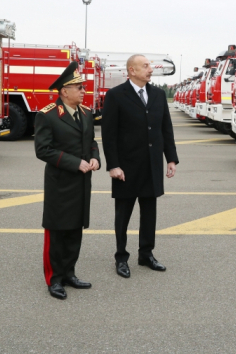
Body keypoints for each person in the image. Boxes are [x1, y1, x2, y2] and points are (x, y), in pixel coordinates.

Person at [101, 54, 178, 278]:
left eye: (150, 66)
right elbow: (109, 135)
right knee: (123, 215)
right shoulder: (116, 95)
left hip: (151, 166)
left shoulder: (158, 94)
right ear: (131, 70)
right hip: (126, 168)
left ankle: (146, 254)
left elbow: (166, 129)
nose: (150, 69)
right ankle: (121, 257)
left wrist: (170, 158)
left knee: (149, 213)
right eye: (145, 66)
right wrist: (113, 165)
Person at [34, 61, 100, 300]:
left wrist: (95, 158)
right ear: (64, 91)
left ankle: (69, 273)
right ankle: (54, 279)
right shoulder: (48, 115)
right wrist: (74, 163)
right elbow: (43, 150)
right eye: (79, 87)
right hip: (60, 183)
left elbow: (91, 142)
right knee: (57, 231)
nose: (84, 91)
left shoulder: (86, 114)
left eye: (83, 87)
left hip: (82, 183)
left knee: (75, 230)